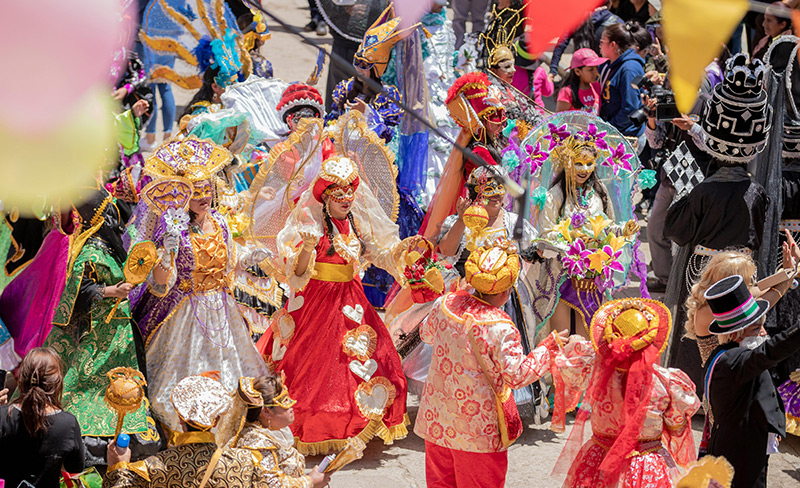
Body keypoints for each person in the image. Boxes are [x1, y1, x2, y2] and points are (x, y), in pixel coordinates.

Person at [255, 152, 410, 455]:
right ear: (324, 196)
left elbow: (378, 253)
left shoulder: (355, 223)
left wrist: (402, 252)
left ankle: (356, 421)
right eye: (338, 193)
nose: (346, 198)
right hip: (315, 303)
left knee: (367, 362)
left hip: (351, 299)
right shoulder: (310, 224)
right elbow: (297, 274)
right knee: (311, 370)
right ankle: (313, 424)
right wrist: (307, 248)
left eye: (350, 191)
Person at [129, 138, 271, 436]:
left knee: (231, 367)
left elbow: (230, 261)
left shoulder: (220, 222)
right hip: (186, 313)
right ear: (183, 195)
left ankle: (229, 422)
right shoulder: (173, 230)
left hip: (222, 308)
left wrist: (248, 258)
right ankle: (191, 427)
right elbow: (159, 283)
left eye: (207, 188)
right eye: (196, 191)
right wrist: (165, 254)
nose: (204, 197)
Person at [415, 241, 568, 487]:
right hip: (478, 431)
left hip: (437, 421)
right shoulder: (499, 326)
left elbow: (427, 334)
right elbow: (517, 376)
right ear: (505, 292)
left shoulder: (445, 305)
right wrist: (548, 348)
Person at [664, 53, 770, 392]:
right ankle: (727, 388)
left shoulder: (703, 190)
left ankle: (692, 386)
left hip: (702, 272)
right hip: (740, 275)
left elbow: (676, 230)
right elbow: (762, 235)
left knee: (698, 327)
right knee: (735, 329)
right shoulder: (758, 192)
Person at [43, 188, 159, 465]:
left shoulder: (109, 244)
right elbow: (79, 292)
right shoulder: (91, 250)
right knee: (88, 386)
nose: (117, 219)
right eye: (111, 213)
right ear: (102, 218)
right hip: (96, 333)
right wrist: (111, 291)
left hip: (117, 332)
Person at [550, 298, 701, 487]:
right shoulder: (667, 383)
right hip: (647, 464)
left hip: (599, 459)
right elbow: (675, 423)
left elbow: (568, 367)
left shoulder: (593, 369)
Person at [704, 275, 800, 488]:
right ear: (737, 334)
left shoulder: (736, 353)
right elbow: (771, 350)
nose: (764, 332)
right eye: (756, 329)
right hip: (739, 449)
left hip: (751, 440)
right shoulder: (733, 362)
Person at [104, 373, 272, 488]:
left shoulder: (154, 466)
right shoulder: (246, 462)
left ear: (180, 418)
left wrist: (118, 465)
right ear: (216, 420)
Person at [0, 348, 84, 488]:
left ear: (21, 379)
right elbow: (75, 467)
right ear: (57, 383)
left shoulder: (4, 417)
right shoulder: (68, 423)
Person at [230, 376, 330, 488]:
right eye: (284, 402)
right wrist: (310, 481)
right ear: (267, 412)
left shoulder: (274, 431)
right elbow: (272, 485)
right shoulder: (258, 443)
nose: (291, 405)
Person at [598, 21, 646, 138]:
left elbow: (630, 108)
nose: (599, 45)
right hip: (610, 129)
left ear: (613, 45)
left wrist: (608, 128)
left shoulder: (629, 69)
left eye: (602, 42)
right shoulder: (608, 63)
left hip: (625, 135)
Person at [556, 48, 607, 113]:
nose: (596, 73)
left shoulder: (596, 86)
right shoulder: (567, 93)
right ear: (577, 71)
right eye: (590, 69)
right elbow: (559, 119)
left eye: (597, 67)